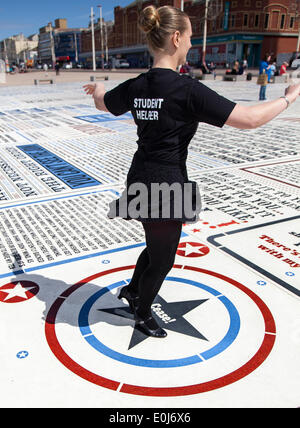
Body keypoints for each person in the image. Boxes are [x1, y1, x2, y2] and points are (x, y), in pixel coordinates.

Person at [83, 5, 300, 338]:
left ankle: (132, 290)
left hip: (140, 177)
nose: (190, 46)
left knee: (155, 243)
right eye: (188, 38)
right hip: (167, 185)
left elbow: (103, 103)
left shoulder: (137, 85)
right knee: (163, 258)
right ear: (175, 37)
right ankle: (141, 312)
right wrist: (289, 97)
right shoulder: (186, 90)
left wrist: (98, 88)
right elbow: (250, 119)